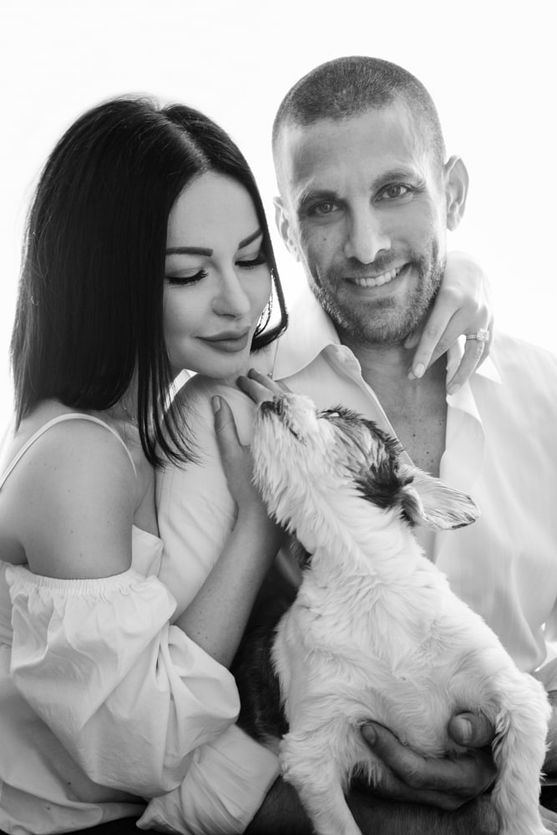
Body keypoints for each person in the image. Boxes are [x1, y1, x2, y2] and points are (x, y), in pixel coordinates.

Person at [0, 93, 491, 835]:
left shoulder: (175, 413)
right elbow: (147, 747)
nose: (239, 302)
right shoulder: (77, 457)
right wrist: (259, 521)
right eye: (189, 274)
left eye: (251, 258)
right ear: (107, 277)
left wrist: (460, 274)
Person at [157, 57, 557, 834]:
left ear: (455, 192)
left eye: (395, 190)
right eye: (324, 208)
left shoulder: (545, 395)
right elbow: (167, 724)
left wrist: (516, 755)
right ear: (282, 225)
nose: (366, 246)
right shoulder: (221, 414)